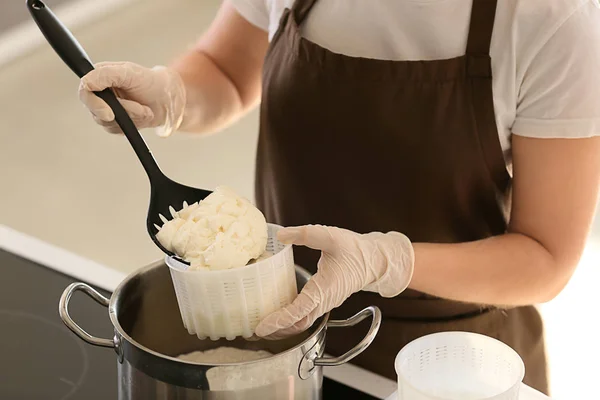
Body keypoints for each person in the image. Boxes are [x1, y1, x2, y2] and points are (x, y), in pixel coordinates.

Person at [78, 0, 600, 394]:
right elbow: (226, 70)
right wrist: (172, 96)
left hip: (449, 365)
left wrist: (384, 261)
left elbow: (544, 255)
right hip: (281, 344)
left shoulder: (553, 21)